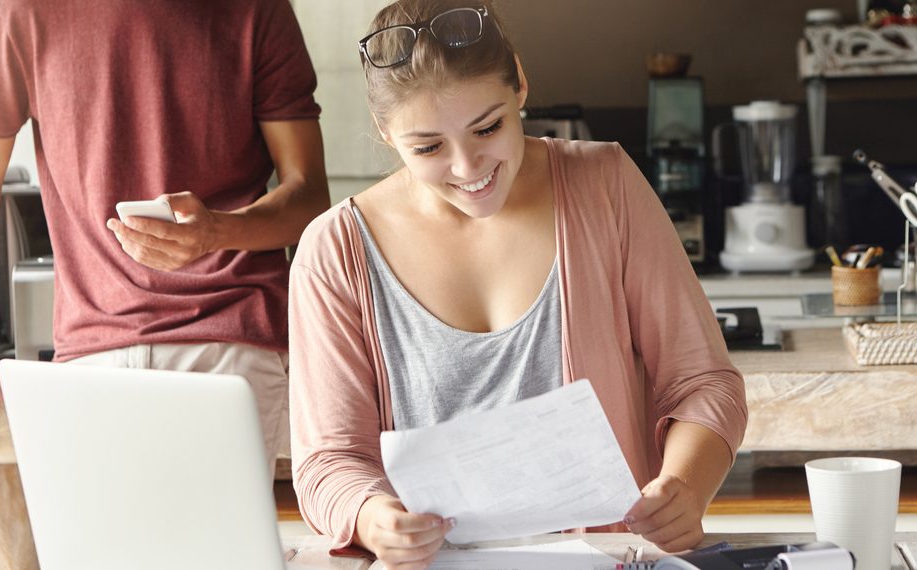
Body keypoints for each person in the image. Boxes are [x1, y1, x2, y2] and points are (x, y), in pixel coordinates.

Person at [288, 1, 747, 566]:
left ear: (521, 86)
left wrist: (684, 487)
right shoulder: (333, 250)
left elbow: (704, 383)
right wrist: (371, 516)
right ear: (385, 130)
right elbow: (328, 461)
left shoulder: (606, 185)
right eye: (428, 147)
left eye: (488, 127)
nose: (467, 167)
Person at [0, 0, 329, 480]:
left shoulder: (257, 9)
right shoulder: (24, 11)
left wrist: (216, 232)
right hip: (90, 352)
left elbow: (309, 197)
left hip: (231, 339)